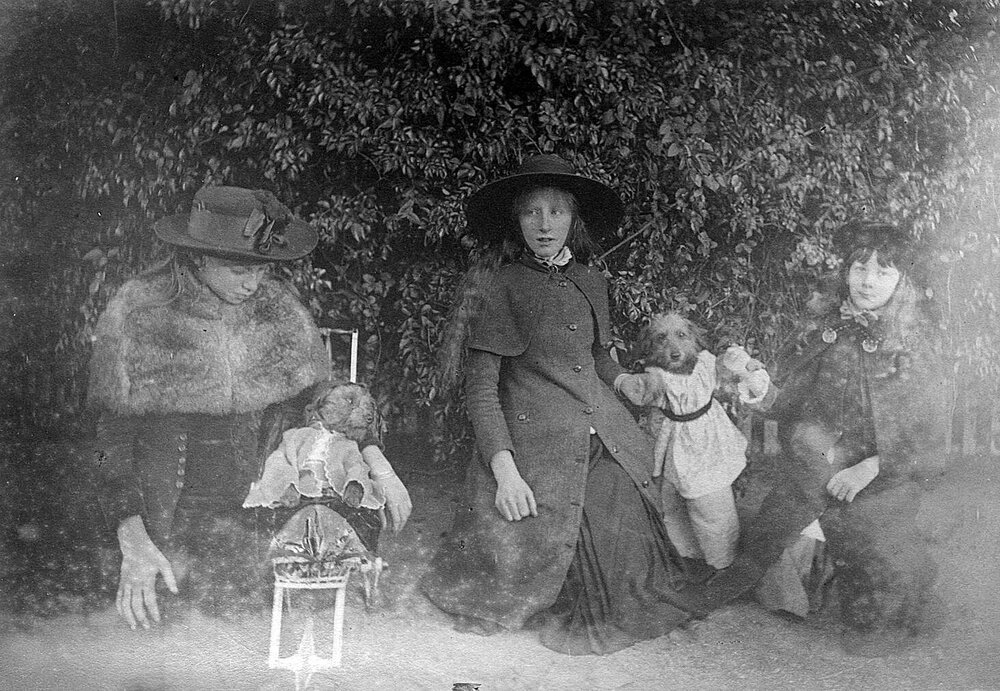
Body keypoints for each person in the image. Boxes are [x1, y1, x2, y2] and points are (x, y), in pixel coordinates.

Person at [420, 154, 709, 655]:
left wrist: (623, 382)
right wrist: (505, 473)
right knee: (568, 560)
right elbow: (482, 390)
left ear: (574, 220)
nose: (545, 224)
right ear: (518, 220)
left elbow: (597, 356)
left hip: (603, 428)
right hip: (536, 441)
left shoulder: (591, 280)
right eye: (532, 212)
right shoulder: (501, 285)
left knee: (627, 554)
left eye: (556, 212)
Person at [87, 186, 411, 630]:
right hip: (161, 520)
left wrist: (379, 464)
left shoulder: (277, 312)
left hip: (259, 514)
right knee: (174, 636)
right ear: (198, 258)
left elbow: (323, 408)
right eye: (239, 269)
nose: (253, 284)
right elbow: (111, 444)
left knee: (258, 626)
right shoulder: (140, 311)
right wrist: (132, 538)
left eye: (262, 271)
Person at [702, 220, 950, 657]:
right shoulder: (827, 329)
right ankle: (803, 589)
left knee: (876, 562)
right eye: (859, 268)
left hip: (884, 475)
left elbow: (927, 435)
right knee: (767, 538)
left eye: (883, 271)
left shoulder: (918, 344)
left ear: (903, 280)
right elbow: (791, 405)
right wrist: (759, 384)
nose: (868, 281)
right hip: (814, 466)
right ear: (846, 272)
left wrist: (870, 466)